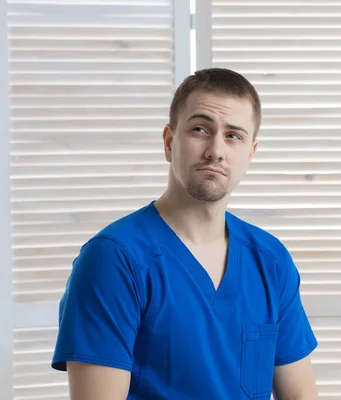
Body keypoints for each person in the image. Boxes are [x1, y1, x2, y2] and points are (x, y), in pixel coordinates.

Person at [51, 68, 319, 400]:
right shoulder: (114, 259)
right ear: (169, 141)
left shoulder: (270, 260)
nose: (215, 150)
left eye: (233, 135)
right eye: (199, 129)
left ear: (250, 153)